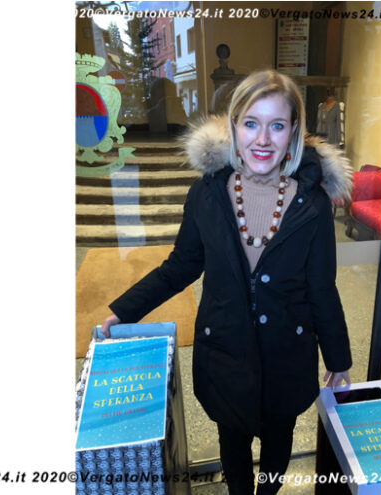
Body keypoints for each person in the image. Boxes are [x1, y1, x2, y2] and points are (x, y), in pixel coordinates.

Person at [100, 70, 353, 495]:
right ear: (234, 125)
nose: (263, 139)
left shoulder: (312, 204)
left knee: (277, 445)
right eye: (251, 123)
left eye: (277, 125)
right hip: (224, 353)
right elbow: (180, 266)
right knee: (233, 448)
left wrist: (338, 356)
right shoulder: (208, 194)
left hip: (286, 357)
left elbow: (322, 288)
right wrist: (124, 310)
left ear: (293, 131)